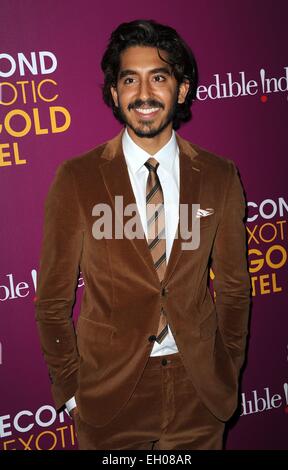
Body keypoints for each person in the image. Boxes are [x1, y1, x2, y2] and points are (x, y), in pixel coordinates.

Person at [35, 19, 251, 450]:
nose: (144, 94)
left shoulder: (218, 176)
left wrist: (224, 371)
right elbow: (53, 300)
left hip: (199, 395)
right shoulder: (77, 179)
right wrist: (73, 393)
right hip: (111, 398)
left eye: (159, 77)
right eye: (129, 80)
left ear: (182, 89)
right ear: (115, 93)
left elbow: (235, 289)